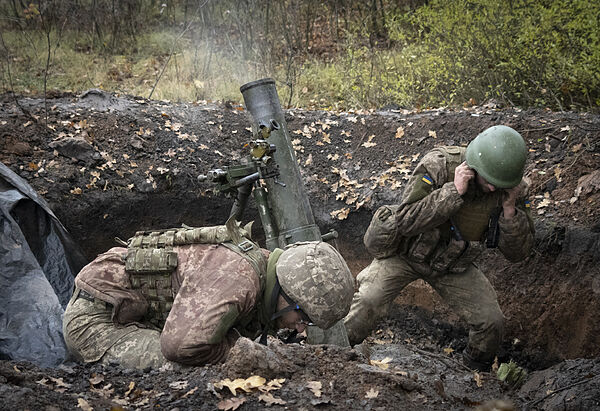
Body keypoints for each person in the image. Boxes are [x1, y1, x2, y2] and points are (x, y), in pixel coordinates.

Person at [344, 125, 535, 371]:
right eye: (490, 181)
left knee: (491, 322)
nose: (493, 189)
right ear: (476, 166)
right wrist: (452, 192)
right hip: (406, 254)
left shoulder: (512, 188)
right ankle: (335, 352)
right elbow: (406, 220)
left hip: (454, 265)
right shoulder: (439, 165)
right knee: (368, 301)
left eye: (501, 185)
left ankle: (474, 373)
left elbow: (519, 254)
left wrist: (510, 213)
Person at [63, 218, 354, 369]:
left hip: (136, 313)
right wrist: (239, 353)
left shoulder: (260, 268)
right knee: (184, 367)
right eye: (303, 316)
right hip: (98, 318)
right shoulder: (239, 279)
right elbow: (180, 348)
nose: (301, 328)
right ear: (285, 290)